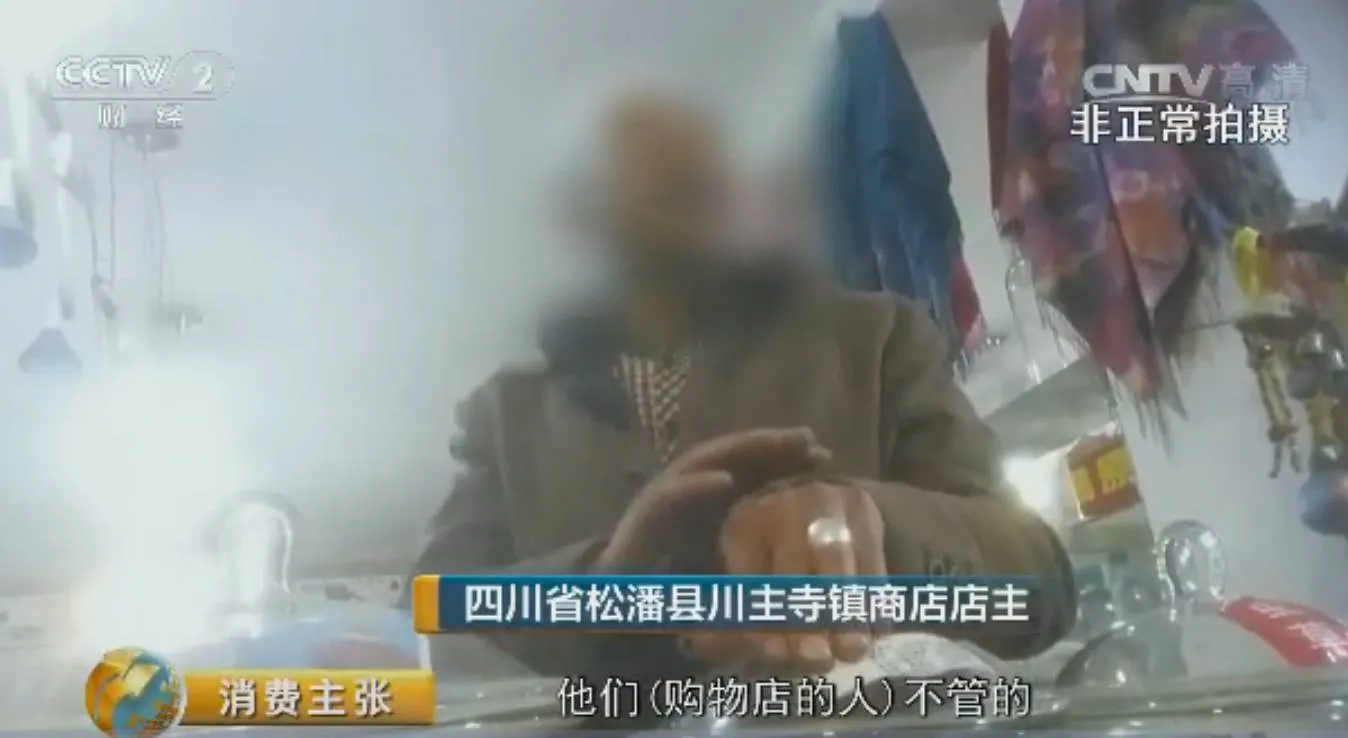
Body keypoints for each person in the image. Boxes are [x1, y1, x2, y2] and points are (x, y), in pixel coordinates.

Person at [403, 85, 1075, 682]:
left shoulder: (872, 341)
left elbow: (1039, 588)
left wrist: (880, 527)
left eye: (687, 190)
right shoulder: (507, 413)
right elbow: (430, 620)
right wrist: (604, 583)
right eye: (628, 197)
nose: (663, 225)